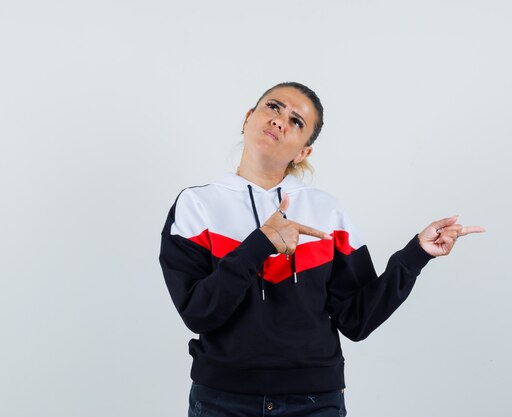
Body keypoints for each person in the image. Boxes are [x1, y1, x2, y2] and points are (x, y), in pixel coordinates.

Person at [159, 81, 485, 417]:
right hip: (222, 399)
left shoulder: (327, 212)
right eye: (273, 106)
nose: (279, 120)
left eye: (296, 121)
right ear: (247, 118)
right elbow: (198, 312)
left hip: (313, 401)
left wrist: (416, 254)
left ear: (303, 152)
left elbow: (357, 319)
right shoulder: (196, 205)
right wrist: (260, 243)